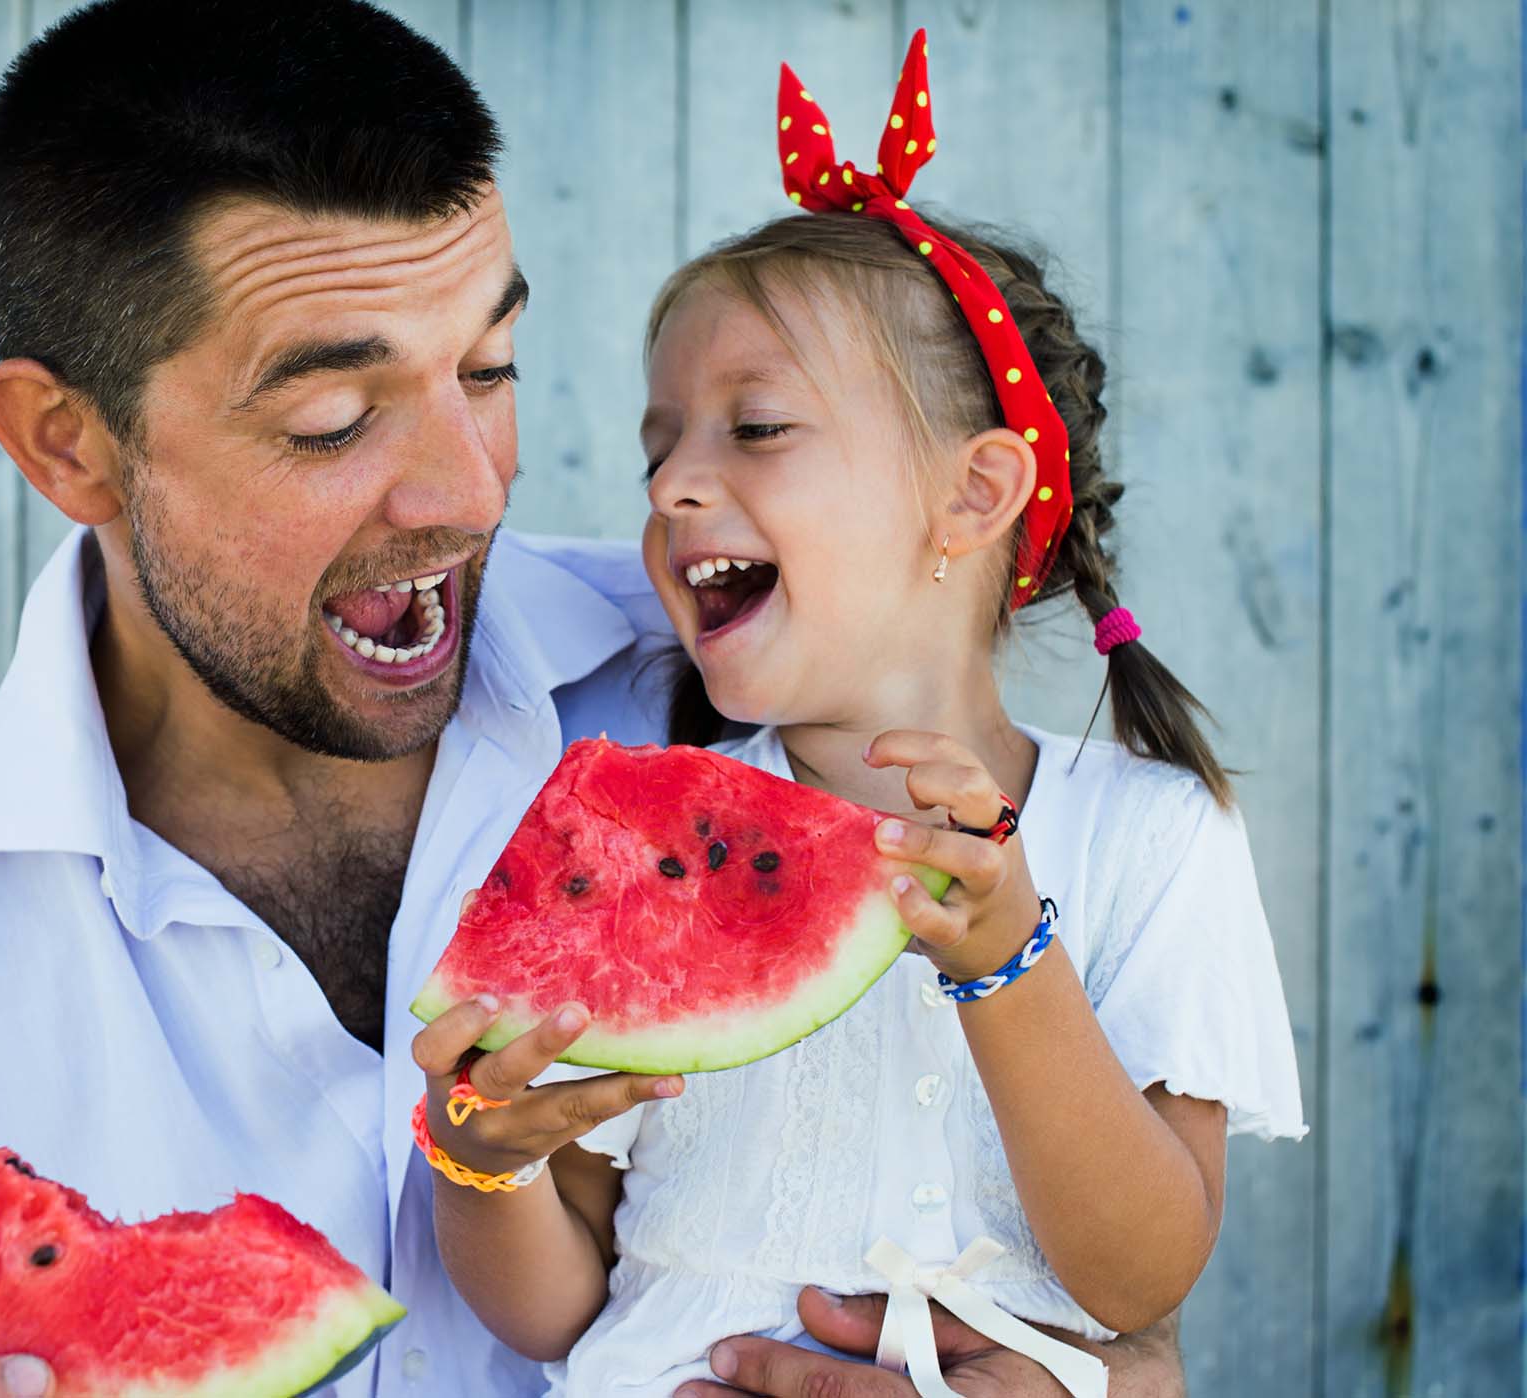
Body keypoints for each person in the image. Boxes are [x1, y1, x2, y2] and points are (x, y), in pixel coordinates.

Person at [0, 5, 1193, 1395]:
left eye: (491, 368)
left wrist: (1127, 1381)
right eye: (333, 418)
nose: (473, 494)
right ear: (67, 445)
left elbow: (1100, 1275)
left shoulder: (746, 680)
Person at [409, 34, 1305, 1398]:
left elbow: (1143, 1273)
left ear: (973, 493)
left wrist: (1009, 962)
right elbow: (553, 1305)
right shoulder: (633, 833)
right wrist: (477, 1153)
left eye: (753, 428)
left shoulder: (1151, 835)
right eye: (662, 446)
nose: (674, 488)